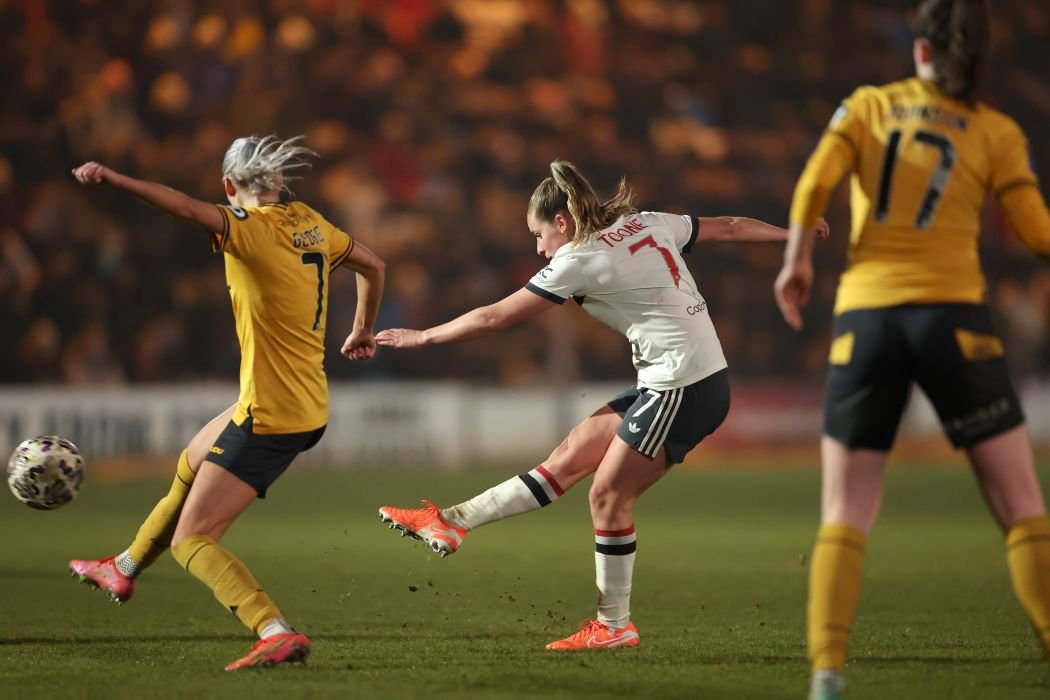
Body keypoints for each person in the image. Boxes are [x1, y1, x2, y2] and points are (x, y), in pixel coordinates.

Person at [376, 159, 829, 650]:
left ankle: (614, 625)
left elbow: (493, 318)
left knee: (608, 498)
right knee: (570, 456)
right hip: (678, 378)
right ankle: (452, 522)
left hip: (682, 385)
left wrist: (422, 336)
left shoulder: (577, 260)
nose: (538, 246)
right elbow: (730, 226)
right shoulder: (647, 221)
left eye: (538, 234)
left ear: (563, 223)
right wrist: (793, 236)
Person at [773, 1, 1050, 698]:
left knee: (845, 508)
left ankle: (827, 675)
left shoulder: (869, 106)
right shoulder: (996, 130)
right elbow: (1038, 233)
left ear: (920, 51)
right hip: (954, 317)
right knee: (1019, 501)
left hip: (868, 318)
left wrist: (797, 263)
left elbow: (814, 183)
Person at [67, 135, 386, 670]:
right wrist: (362, 331)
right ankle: (122, 567)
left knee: (194, 539)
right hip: (301, 401)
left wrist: (116, 179)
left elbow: (186, 208)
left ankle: (273, 629)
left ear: (228, 187)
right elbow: (374, 265)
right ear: (280, 183)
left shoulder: (247, 229)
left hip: (270, 416)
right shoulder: (309, 221)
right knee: (192, 461)